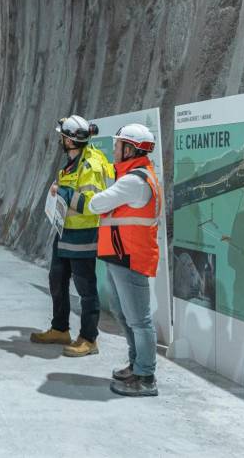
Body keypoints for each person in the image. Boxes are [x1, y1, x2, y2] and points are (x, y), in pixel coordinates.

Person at [85, 124, 161, 397]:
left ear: (130, 149)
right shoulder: (129, 176)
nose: (114, 149)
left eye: (118, 145)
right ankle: (136, 364)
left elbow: (96, 204)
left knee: (139, 320)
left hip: (130, 256)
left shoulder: (134, 181)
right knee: (123, 313)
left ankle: (146, 376)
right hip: (119, 255)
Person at [31, 115, 114, 357]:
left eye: (63, 136)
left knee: (85, 288)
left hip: (83, 234)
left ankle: (89, 339)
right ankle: (60, 329)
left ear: (70, 141)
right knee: (57, 279)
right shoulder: (72, 161)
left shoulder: (90, 166)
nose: (60, 139)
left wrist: (63, 192)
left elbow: (91, 204)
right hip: (65, 232)